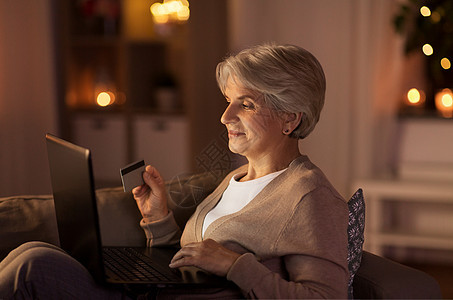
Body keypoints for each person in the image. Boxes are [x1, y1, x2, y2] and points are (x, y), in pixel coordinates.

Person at [0, 43, 349, 299]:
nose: (225, 117)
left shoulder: (308, 195)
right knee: (31, 253)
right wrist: (158, 219)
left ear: (291, 117)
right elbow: (192, 268)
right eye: (227, 101)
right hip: (152, 293)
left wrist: (235, 265)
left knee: (35, 267)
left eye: (246, 104)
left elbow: (325, 298)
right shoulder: (237, 178)